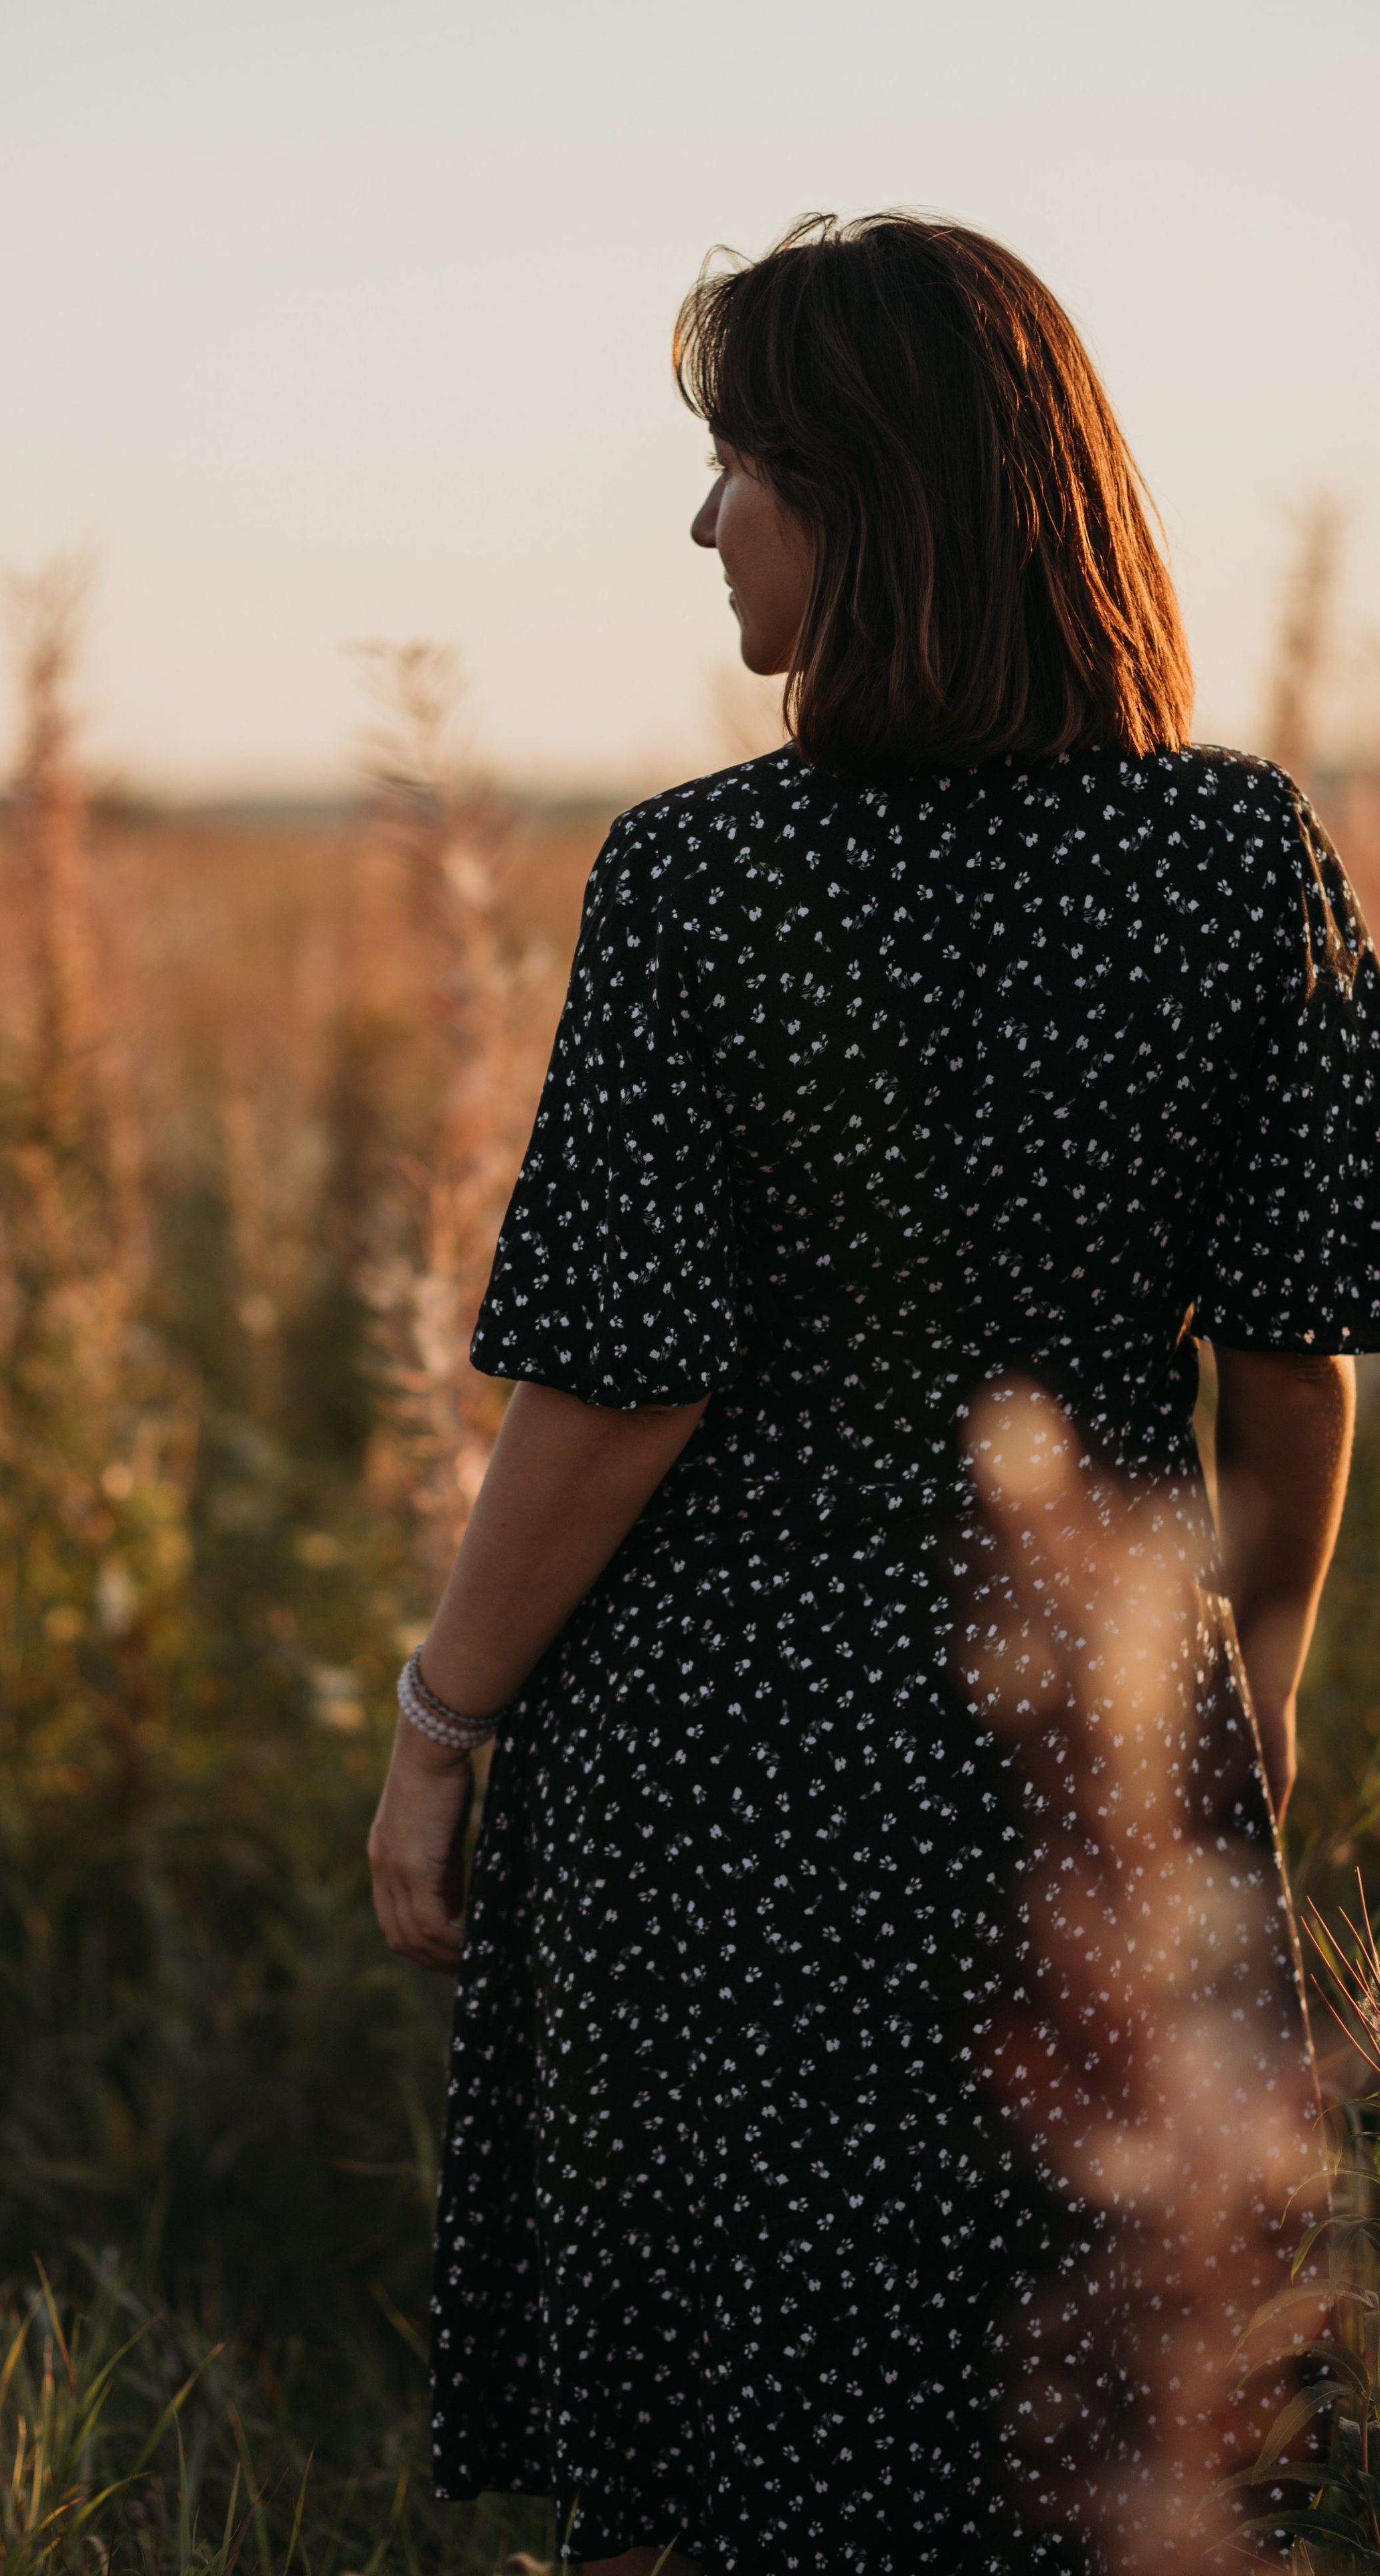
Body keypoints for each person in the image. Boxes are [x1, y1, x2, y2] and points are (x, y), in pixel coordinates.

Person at [367, 212, 1380, 2575]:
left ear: (881, 495)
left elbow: (617, 1389)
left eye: (743, 468)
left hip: (718, 1786)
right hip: (1078, 1744)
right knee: (1082, 2439)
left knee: (704, 2463)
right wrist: (1243, 1698)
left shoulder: (704, 880)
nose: (705, 524)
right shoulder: (1240, 853)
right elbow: (1298, 1371)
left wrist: (440, 1720)